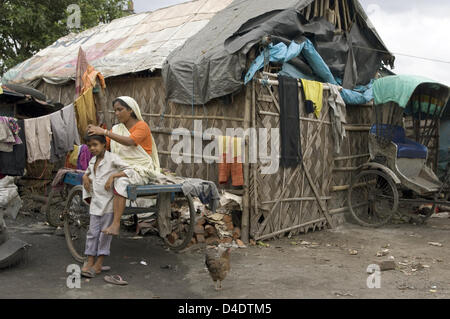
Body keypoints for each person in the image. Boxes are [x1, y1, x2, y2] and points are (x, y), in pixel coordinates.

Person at [87, 96, 161, 236]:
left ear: (131, 110)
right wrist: (93, 140)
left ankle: (115, 224)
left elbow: (130, 141)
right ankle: (100, 217)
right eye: (115, 110)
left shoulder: (142, 126)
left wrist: (104, 132)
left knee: (120, 181)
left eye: (120, 109)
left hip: (140, 169)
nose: (117, 113)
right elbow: (106, 146)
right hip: (120, 167)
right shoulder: (116, 129)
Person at [81, 134, 134, 278]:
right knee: (92, 233)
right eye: (90, 146)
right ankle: (90, 259)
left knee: (104, 235)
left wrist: (113, 177)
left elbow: (130, 170)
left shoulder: (112, 158)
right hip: (96, 204)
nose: (92, 148)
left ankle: (99, 263)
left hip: (109, 204)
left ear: (104, 144)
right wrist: (85, 177)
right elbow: (88, 173)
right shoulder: (93, 161)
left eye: (95, 145)